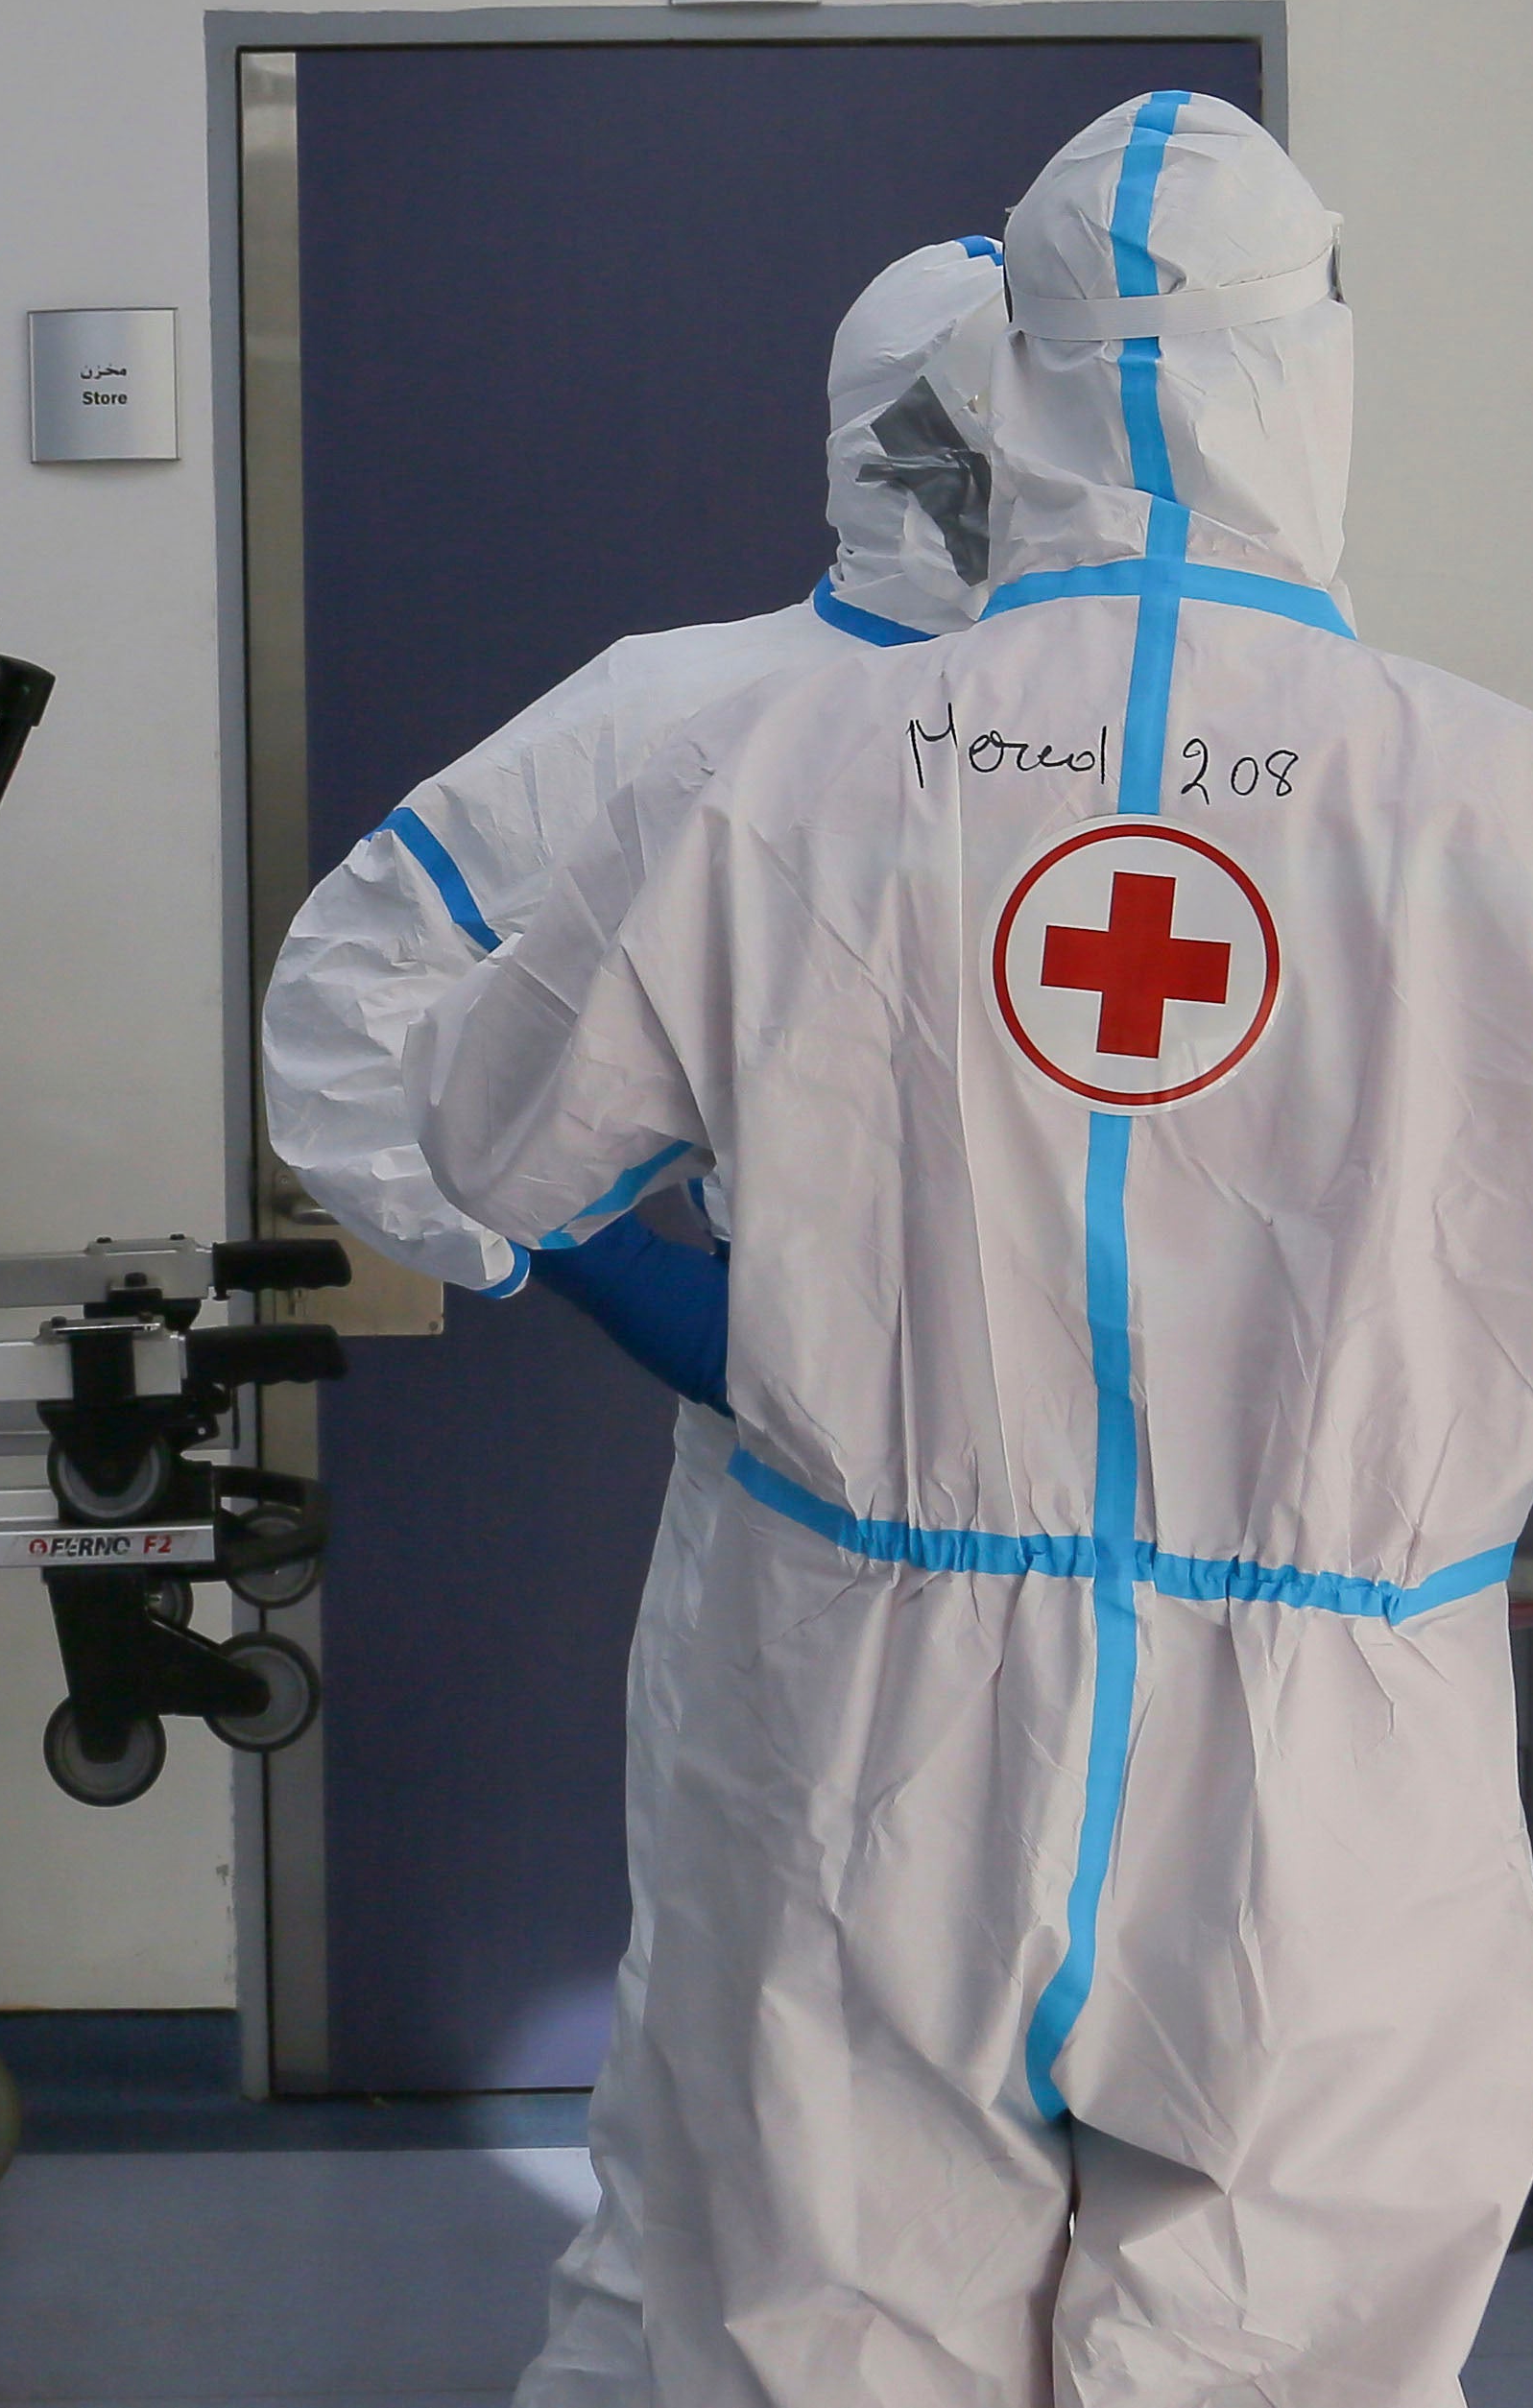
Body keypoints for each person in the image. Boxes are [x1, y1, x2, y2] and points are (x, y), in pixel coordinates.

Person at [406, 90, 1533, 2406]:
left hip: (865, 1737)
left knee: (816, 2350)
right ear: (1321, 376)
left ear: (1030, 383)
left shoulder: (780, 774)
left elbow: (489, 1119)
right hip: (1336, 1784)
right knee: (1292, 2366)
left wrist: (724, 1303)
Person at [258, 236, 1007, 2403]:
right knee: (728, 2101)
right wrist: (589, 1254)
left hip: (1147, 1535)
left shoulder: (1213, 737)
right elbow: (350, 1002)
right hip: (800, 1519)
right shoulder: (689, 708)